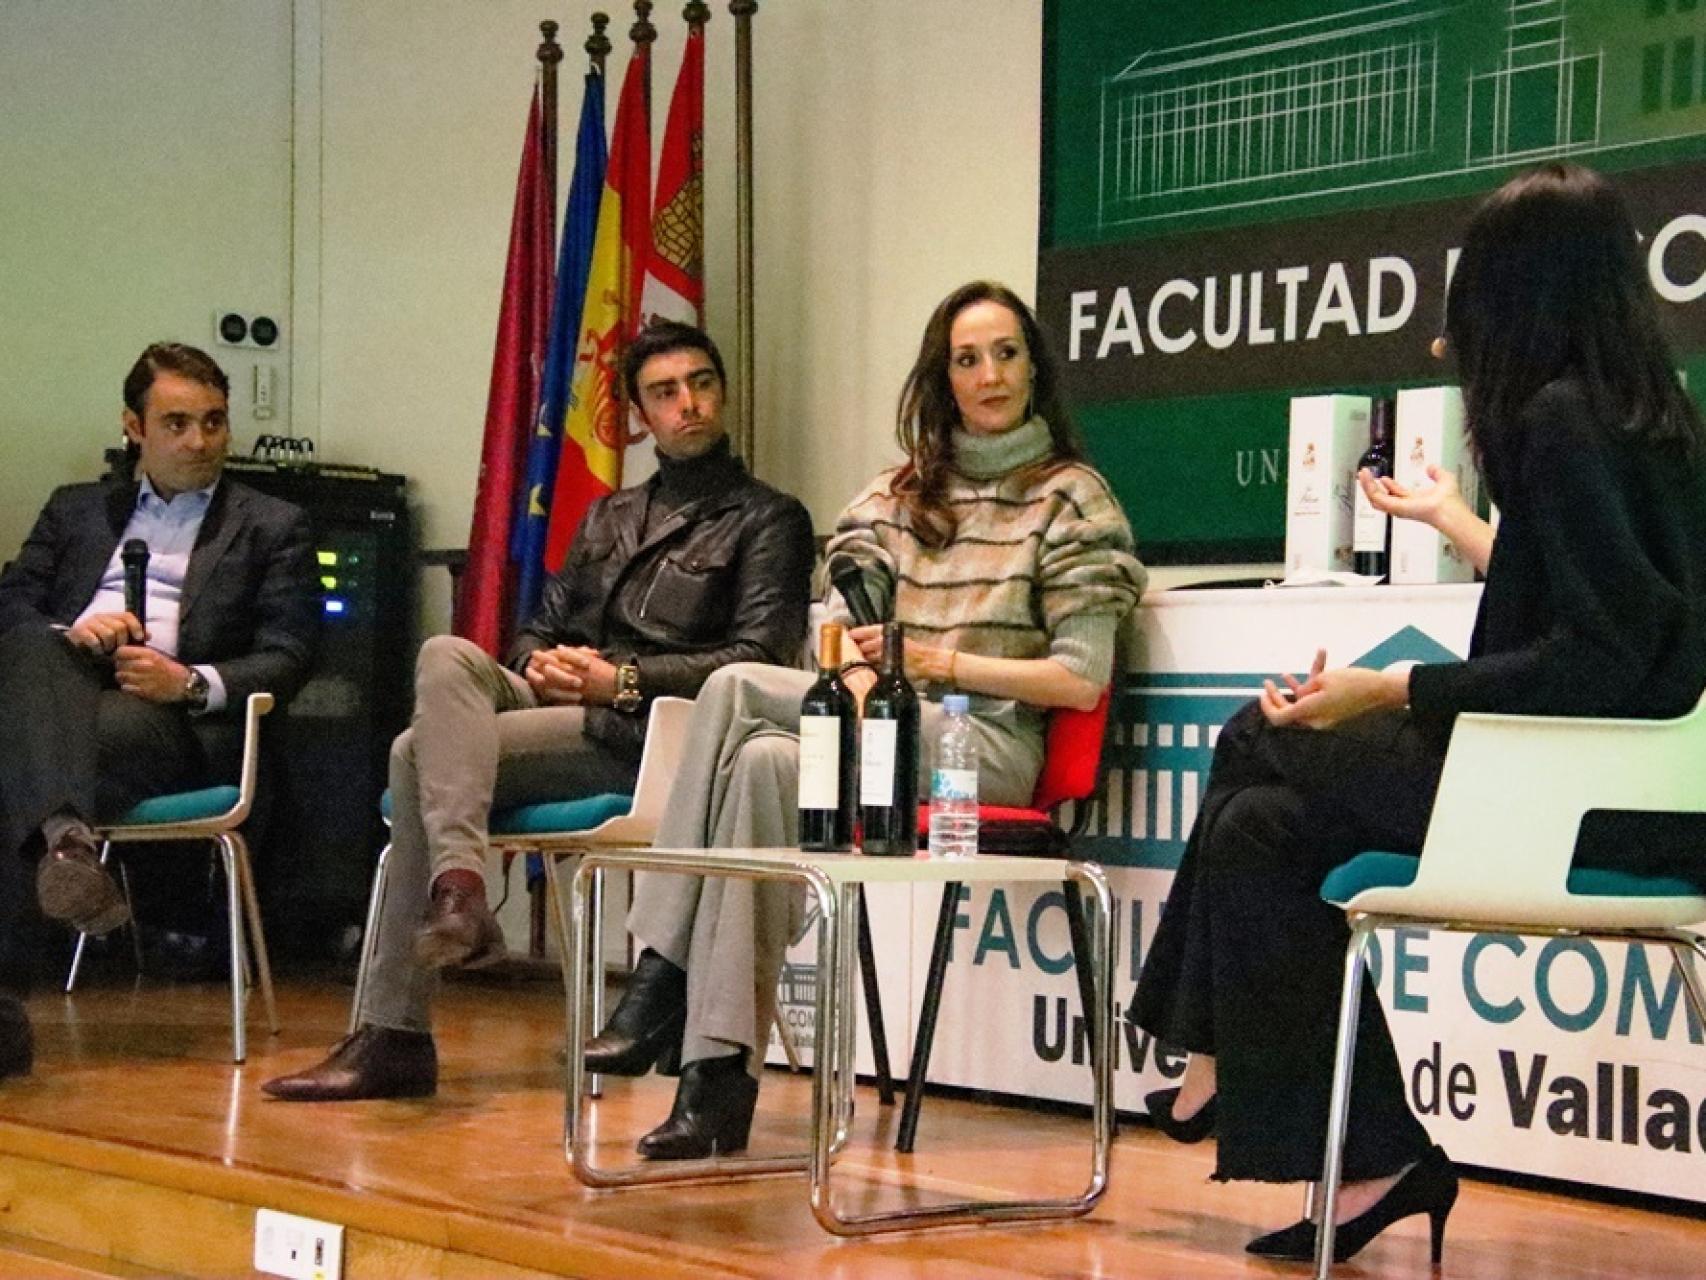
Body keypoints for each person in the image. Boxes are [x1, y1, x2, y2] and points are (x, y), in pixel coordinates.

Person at [1131, 162, 1706, 1265]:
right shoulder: (1644, 418)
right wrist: (1457, 523)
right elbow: (1623, 620)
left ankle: (1195, 1039)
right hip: (1611, 790)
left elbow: (1599, 659)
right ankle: (1379, 1162)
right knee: (1259, 828)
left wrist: (1386, 687)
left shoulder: (1557, 419)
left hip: (1573, 811)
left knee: (1259, 734)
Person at [583, 280, 1147, 1159]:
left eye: (1005, 354)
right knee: (768, 764)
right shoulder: (898, 495)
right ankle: (717, 1078)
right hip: (886, 728)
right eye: (967, 359)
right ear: (943, 378)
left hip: (981, 747)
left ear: (1034, 368)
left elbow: (1079, 680)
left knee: (733, 692)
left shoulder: (1073, 499)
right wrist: (854, 667)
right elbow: (845, 616)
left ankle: (661, 973)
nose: (989, 374)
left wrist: (940, 665)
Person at [263, 320, 816, 1102]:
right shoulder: (608, 516)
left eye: (701, 385)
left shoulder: (769, 519)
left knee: (415, 755)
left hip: (652, 734)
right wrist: (541, 665)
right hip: (564, 707)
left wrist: (614, 679)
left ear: (722, 395)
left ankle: (401, 1021)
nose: (687, 404)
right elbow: (532, 632)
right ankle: (458, 897)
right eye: (665, 392)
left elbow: (754, 663)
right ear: (637, 416)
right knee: (445, 656)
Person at [0, 342, 320, 1080]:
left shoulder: (272, 524)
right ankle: (68, 843)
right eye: (176, 423)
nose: (198, 442)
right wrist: (72, 633)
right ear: (133, 427)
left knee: (16, 751)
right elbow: (13, 603)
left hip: (167, 724)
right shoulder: (74, 508)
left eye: (213, 423)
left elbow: (292, 653)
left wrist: (190, 681)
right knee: (27, 648)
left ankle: (8, 1008)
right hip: (63, 692)